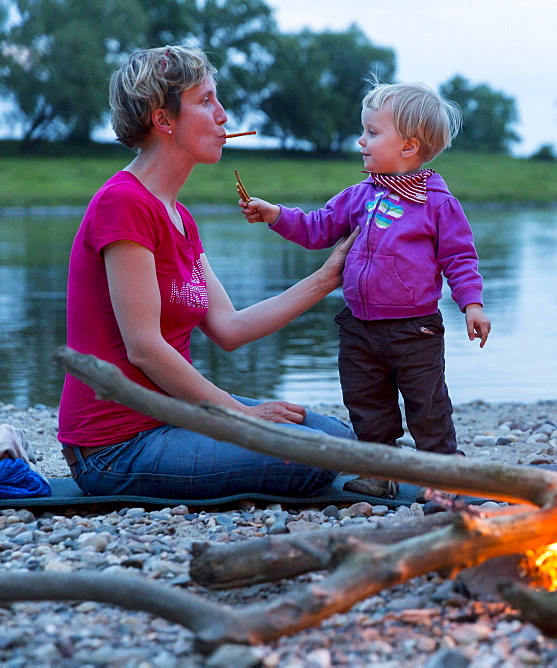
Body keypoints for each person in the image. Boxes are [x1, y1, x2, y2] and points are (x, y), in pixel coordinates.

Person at [57, 45, 356, 499]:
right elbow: (144, 349)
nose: (223, 115)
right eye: (206, 101)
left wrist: (326, 277)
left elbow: (230, 328)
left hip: (175, 417)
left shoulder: (179, 216)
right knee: (316, 455)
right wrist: (239, 415)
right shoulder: (124, 204)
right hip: (116, 447)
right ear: (164, 119)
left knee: (338, 438)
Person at [241, 81, 491, 498]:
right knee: (365, 400)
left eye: (373, 133)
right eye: (365, 131)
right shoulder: (359, 196)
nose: (361, 140)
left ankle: (443, 474)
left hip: (416, 330)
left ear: (409, 147)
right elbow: (317, 227)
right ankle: (379, 469)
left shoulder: (438, 204)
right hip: (358, 326)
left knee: (426, 404)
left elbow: (460, 259)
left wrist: (473, 305)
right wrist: (276, 215)